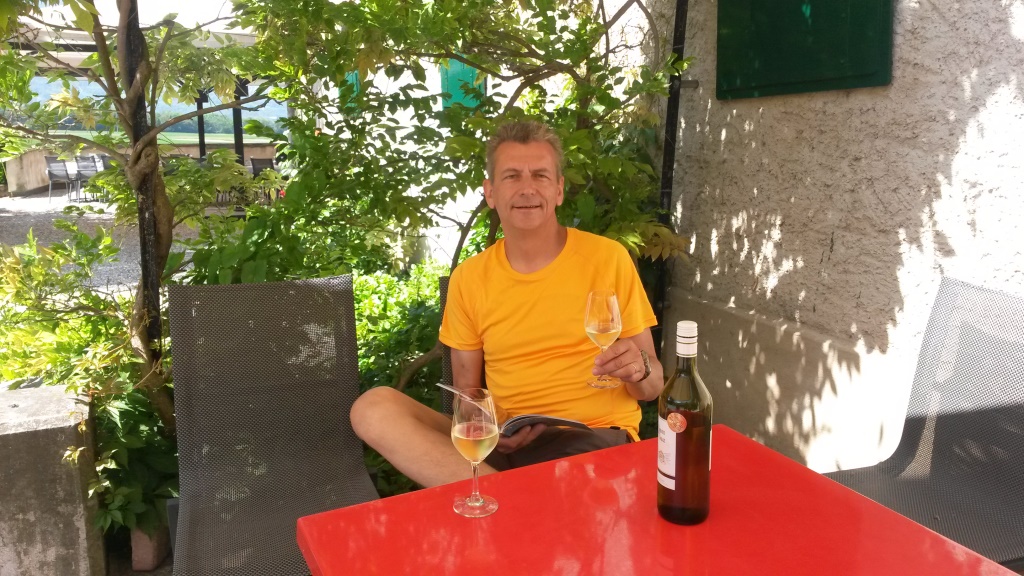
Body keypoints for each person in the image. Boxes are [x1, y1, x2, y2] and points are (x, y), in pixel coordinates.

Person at [350, 121, 664, 488]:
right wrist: (491, 425)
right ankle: (514, 497)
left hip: (590, 440)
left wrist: (639, 369)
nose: (527, 188)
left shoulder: (607, 259)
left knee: (556, 477)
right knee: (373, 408)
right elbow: (467, 398)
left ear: (559, 190)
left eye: (540, 175)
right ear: (491, 192)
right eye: (512, 176)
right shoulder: (469, 278)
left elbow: (653, 387)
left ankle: (500, 498)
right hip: (504, 447)